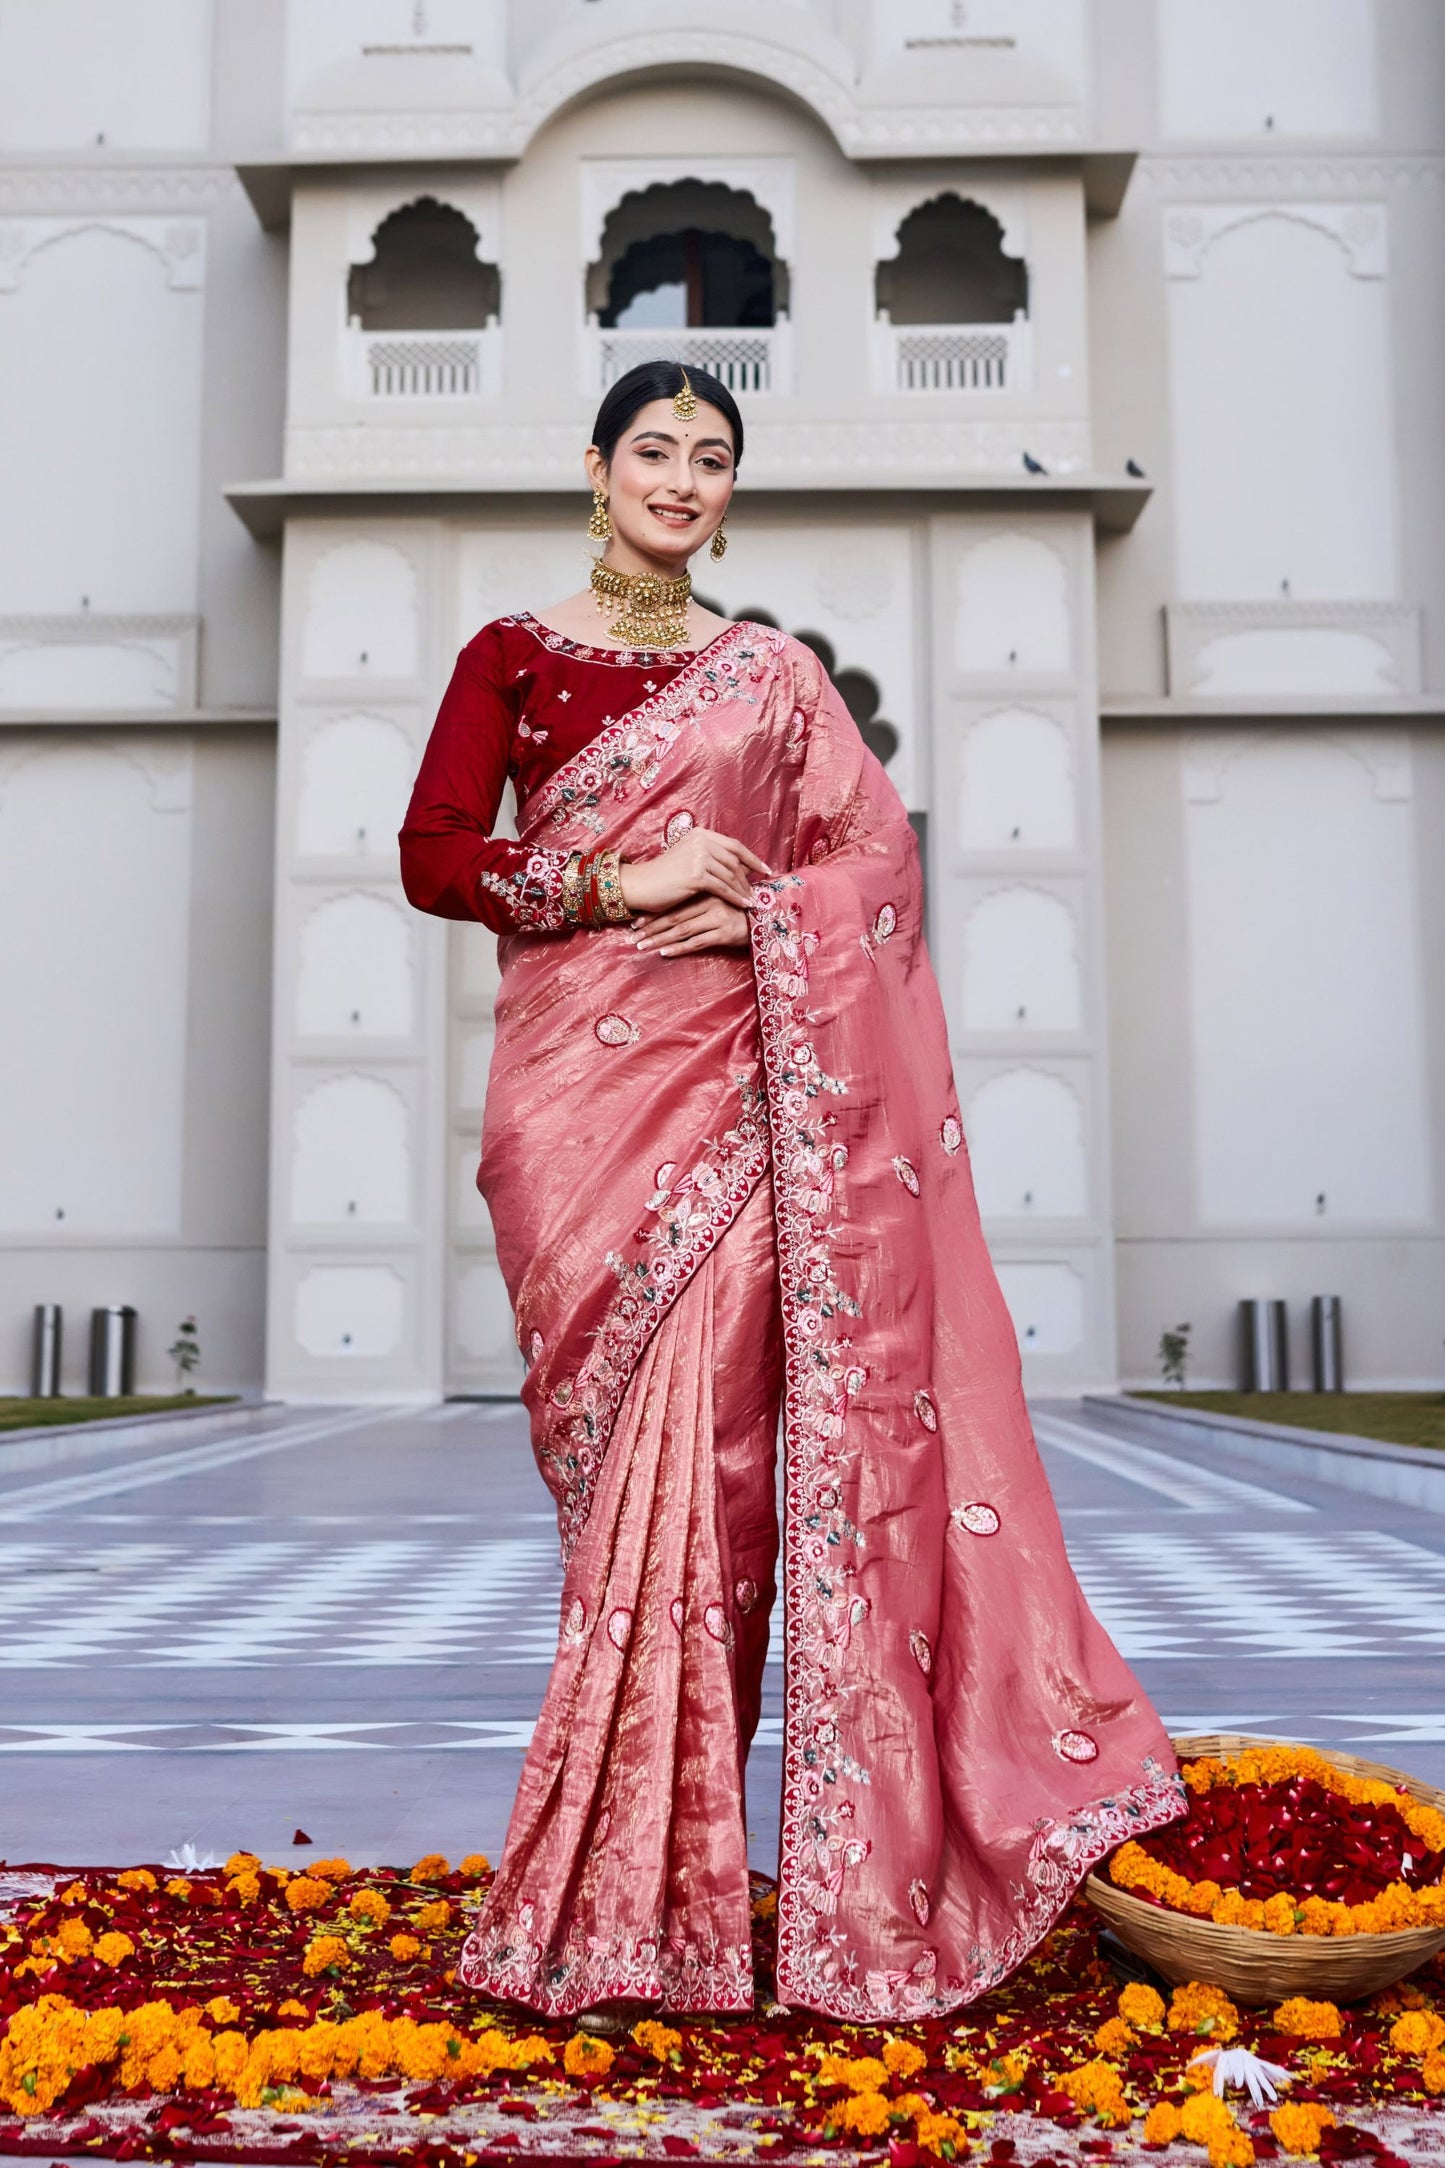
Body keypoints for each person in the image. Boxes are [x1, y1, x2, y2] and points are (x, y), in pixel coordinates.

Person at [398, 359, 1184, 2026]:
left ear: (731, 490)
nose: (680, 480)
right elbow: (435, 854)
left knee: (736, 1485)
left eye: (710, 458)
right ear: (595, 468)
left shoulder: (773, 677)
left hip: (746, 1105)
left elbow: (873, 864)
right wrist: (625, 877)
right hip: (576, 1112)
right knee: (627, 1491)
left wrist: (759, 916)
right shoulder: (512, 657)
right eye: (653, 451)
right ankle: (622, 1896)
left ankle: (688, 1901)